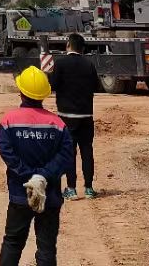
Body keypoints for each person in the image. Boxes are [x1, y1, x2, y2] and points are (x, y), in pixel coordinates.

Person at [0, 66, 73, 266]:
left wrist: (28, 177)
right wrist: (42, 177)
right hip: (50, 196)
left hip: (20, 195)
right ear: (44, 95)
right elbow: (66, 155)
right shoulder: (58, 124)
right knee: (46, 248)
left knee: (13, 242)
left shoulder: (8, 121)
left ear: (21, 92)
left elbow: (7, 153)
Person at [49, 34, 103, 200]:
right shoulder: (89, 65)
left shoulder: (60, 64)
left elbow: (53, 85)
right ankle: (88, 188)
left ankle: (71, 189)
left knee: (69, 153)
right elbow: (97, 86)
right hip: (86, 115)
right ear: (83, 48)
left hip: (66, 116)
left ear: (67, 45)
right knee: (87, 151)